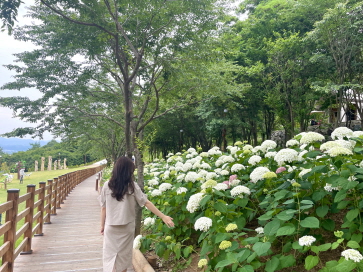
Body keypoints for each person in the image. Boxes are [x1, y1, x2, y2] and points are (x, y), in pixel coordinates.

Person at [100, 157, 174, 272]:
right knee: (123, 259)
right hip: (127, 228)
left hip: (111, 227)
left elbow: (103, 208)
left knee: (110, 257)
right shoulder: (132, 186)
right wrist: (163, 216)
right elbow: (146, 203)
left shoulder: (107, 185)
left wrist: (101, 225)